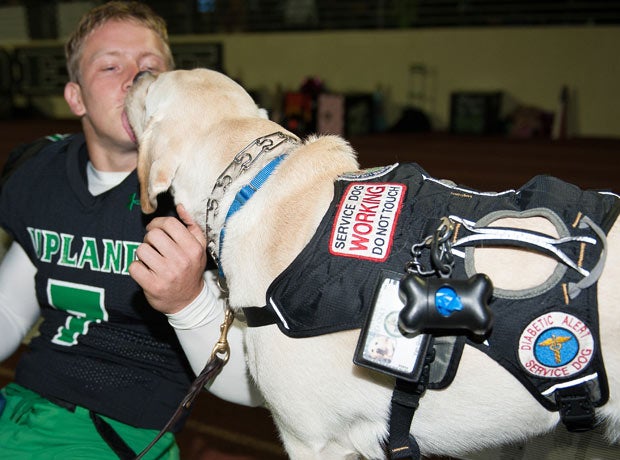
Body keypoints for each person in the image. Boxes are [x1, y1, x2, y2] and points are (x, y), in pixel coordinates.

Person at [0, 2, 259, 458]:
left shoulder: (207, 194)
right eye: (110, 65)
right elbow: (9, 310)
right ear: (75, 97)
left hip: (116, 429)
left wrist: (188, 303)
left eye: (150, 66)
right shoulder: (39, 173)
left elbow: (254, 382)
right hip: (20, 404)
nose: (134, 78)